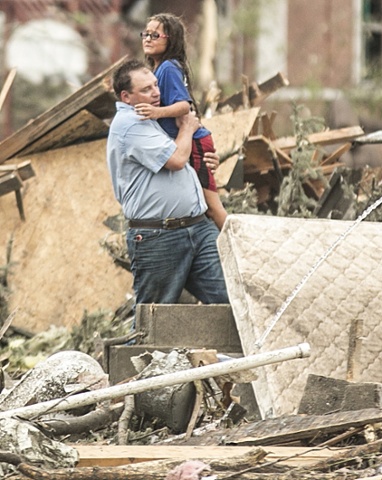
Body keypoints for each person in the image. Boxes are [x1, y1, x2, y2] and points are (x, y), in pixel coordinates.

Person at [106, 59, 229, 307]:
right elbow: (175, 159)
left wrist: (205, 161)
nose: (156, 93)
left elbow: (183, 157)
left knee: (229, 300)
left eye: (155, 85)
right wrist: (187, 126)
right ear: (126, 96)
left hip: (198, 227)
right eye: (146, 90)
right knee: (153, 318)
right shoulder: (130, 125)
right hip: (159, 236)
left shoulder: (154, 118)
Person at [136, 12, 228, 231]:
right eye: (145, 34)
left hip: (194, 141)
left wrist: (155, 113)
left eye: (155, 35)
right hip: (186, 141)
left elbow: (184, 106)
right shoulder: (160, 69)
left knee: (212, 205)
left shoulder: (168, 68)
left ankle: (242, 249)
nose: (148, 39)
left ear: (171, 39)